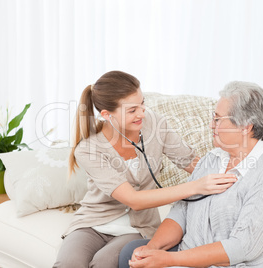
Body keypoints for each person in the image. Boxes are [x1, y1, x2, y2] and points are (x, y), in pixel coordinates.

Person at [53, 71, 236, 268]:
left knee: (103, 263)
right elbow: (133, 200)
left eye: (142, 104)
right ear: (107, 115)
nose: (142, 113)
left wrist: (231, 176)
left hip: (138, 228)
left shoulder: (155, 124)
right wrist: (196, 186)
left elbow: (191, 162)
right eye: (132, 110)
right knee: (68, 264)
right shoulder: (89, 149)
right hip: (91, 224)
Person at [120, 81, 263, 268]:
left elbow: (242, 248)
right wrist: (153, 249)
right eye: (214, 117)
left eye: (218, 119)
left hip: (238, 264)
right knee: (132, 254)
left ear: (246, 126)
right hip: (193, 256)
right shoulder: (213, 159)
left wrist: (168, 259)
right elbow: (181, 212)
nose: (211, 125)